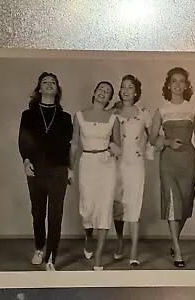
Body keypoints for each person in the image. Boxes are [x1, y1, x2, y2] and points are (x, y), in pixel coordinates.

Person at [149, 67, 195, 268]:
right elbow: (151, 137)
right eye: (174, 81)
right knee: (172, 202)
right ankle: (177, 249)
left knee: (184, 202)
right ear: (168, 85)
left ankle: (174, 241)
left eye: (181, 81)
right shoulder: (161, 110)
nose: (177, 85)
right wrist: (167, 142)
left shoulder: (194, 108)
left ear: (186, 85)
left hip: (188, 160)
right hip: (168, 161)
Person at [18, 72, 73, 271]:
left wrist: (70, 168)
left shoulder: (65, 117)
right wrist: (26, 161)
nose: (49, 85)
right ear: (39, 89)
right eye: (45, 82)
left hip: (59, 170)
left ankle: (51, 257)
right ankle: (39, 247)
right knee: (38, 212)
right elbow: (23, 140)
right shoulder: (28, 115)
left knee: (55, 214)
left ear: (57, 89)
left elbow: (69, 146)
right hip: (36, 169)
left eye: (53, 83)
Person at [69, 81, 121, 271]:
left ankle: (98, 257)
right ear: (94, 92)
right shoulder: (79, 116)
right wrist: (70, 168)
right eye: (101, 89)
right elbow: (74, 144)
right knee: (87, 209)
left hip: (107, 166)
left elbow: (118, 146)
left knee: (105, 208)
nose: (103, 93)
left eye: (107, 92)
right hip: (87, 164)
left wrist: (114, 149)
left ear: (109, 99)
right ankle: (88, 237)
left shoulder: (113, 118)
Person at [111, 74, 153, 267]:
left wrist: (146, 150)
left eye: (129, 87)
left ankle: (134, 250)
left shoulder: (144, 113)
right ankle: (120, 242)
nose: (125, 91)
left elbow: (154, 136)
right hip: (115, 164)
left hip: (135, 164)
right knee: (117, 205)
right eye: (122, 87)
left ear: (136, 92)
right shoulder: (113, 112)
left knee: (134, 204)